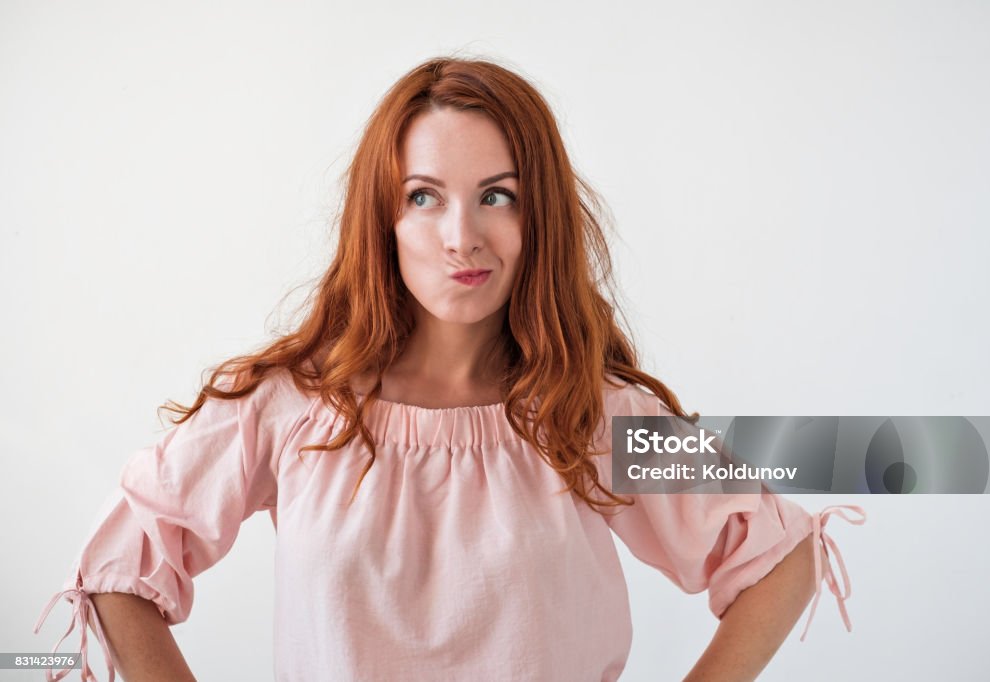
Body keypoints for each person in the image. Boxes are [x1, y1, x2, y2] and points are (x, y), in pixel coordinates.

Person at [33, 55, 865, 682]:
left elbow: (777, 555)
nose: (460, 235)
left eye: (496, 195)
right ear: (383, 219)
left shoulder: (593, 414)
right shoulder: (292, 407)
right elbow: (123, 567)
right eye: (424, 196)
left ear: (539, 216)